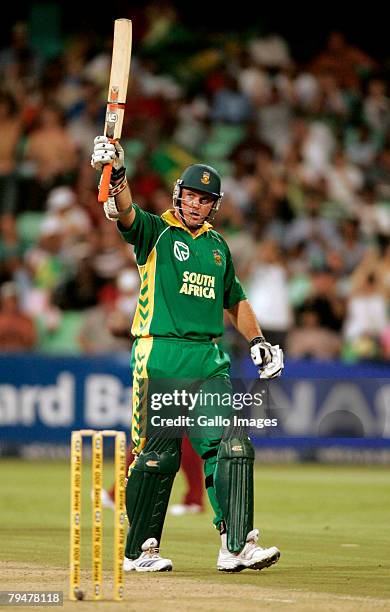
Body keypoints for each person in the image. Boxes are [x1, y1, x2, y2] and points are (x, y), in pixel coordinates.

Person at [91, 136, 284, 573]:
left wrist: (258, 342)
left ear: (214, 206)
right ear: (178, 195)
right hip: (160, 352)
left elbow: (235, 300)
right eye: (191, 196)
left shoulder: (218, 246)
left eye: (205, 199)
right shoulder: (156, 231)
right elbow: (121, 211)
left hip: (208, 356)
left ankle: (236, 545)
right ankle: (140, 550)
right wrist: (115, 174)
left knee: (231, 446)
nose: (197, 204)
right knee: (158, 454)